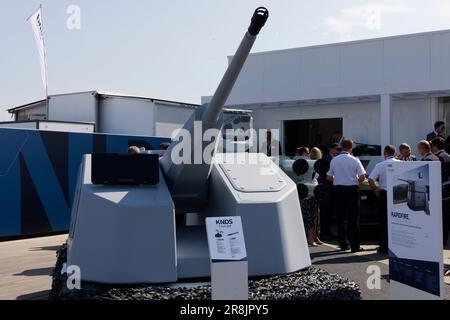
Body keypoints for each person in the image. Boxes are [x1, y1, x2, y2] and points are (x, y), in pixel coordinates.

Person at [327, 139, 366, 252]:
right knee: (353, 218)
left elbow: (329, 177)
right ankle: (355, 246)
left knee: (340, 218)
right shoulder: (355, 160)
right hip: (352, 190)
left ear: (341, 147)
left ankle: (343, 244)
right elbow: (362, 177)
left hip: (338, 190)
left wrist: (338, 178)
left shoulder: (334, 160)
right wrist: (354, 181)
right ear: (351, 147)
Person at [368, 145, 400, 254]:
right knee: (399, 220)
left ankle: (384, 247)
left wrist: (376, 190)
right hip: (399, 194)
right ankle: (398, 246)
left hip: (384, 194)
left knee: (384, 221)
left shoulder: (380, 165)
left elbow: (371, 179)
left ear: (384, 153)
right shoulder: (402, 164)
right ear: (394, 153)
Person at [430, 137, 450, 246]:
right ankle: (444, 241)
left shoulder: (436, 158)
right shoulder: (448, 156)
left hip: (439, 192)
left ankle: (439, 243)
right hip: (448, 191)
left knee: (439, 220)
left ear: (435, 146)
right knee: (446, 219)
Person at [319, 143, 341, 240]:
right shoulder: (326, 159)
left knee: (331, 211)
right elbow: (324, 174)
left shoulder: (337, 159)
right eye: (337, 149)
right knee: (326, 211)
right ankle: (324, 233)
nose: (338, 151)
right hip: (327, 188)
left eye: (339, 149)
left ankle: (328, 232)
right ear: (331, 149)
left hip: (334, 188)